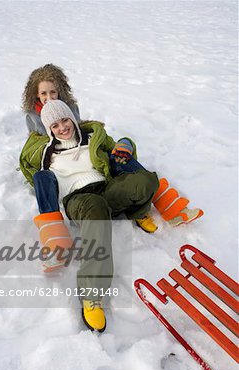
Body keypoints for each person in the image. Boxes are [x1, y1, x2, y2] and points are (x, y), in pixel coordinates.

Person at [21, 99, 160, 333]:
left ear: (73, 118)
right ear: (49, 130)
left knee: (145, 181)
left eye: (65, 120)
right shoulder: (45, 153)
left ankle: (137, 212)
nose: (62, 127)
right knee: (95, 206)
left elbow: (122, 147)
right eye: (54, 125)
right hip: (79, 201)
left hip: (106, 189)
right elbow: (25, 160)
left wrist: (126, 143)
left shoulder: (92, 138)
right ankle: (91, 295)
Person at [21, 63, 203, 234]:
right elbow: (34, 147)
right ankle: (54, 235)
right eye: (43, 94)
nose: (49, 98)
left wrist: (120, 144)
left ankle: (167, 204)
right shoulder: (32, 117)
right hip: (67, 171)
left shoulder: (70, 109)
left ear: (60, 91)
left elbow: (79, 130)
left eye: (53, 92)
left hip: (84, 156)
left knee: (119, 156)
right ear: (36, 95)